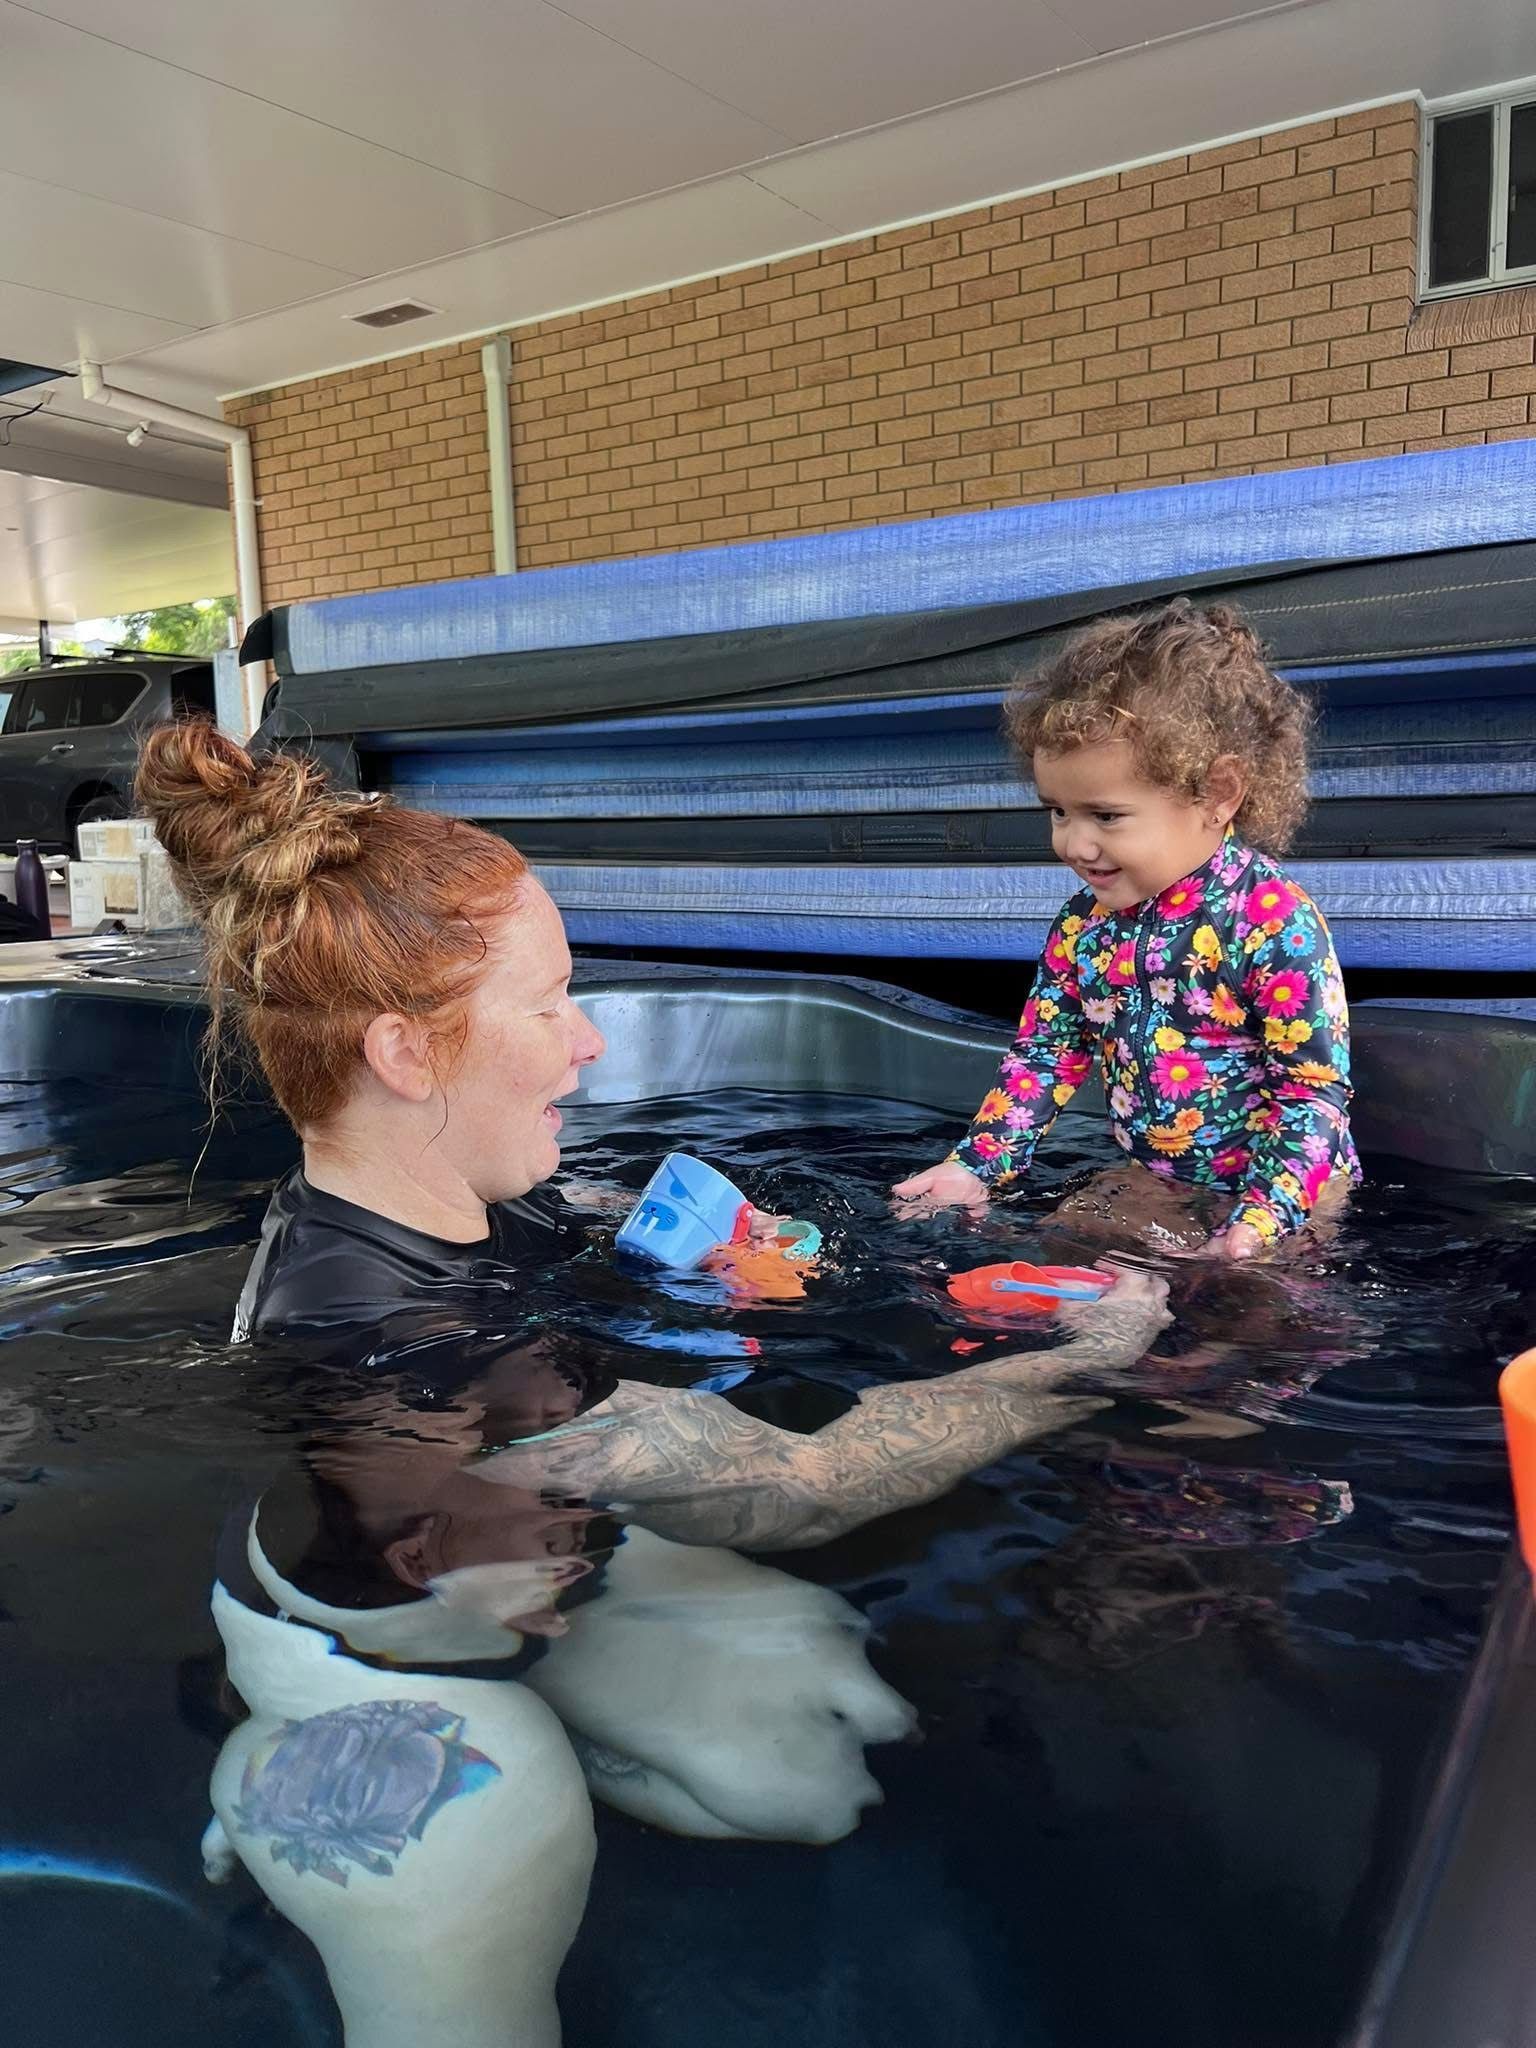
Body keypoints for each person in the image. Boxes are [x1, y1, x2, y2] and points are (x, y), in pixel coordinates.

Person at [138, 721, 1169, 2048]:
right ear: (408, 1055)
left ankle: (514, 1733)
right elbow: (802, 1488)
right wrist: (1086, 1365)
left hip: (530, 1580)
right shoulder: (383, 1338)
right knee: (504, 1831)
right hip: (370, 1652)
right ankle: (282, 1766)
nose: (590, 1048)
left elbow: (626, 1283)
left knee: (823, 1758)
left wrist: (748, 1265)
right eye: (553, 1003)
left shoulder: (463, 1193)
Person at [893, 600, 1360, 1261]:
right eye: (1057, 811)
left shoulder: (1270, 922)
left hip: (1291, 1190)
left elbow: (1310, 1090)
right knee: (1065, 1255)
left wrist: (1259, 1224)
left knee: (1252, 1317)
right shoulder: (1085, 925)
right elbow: (1045, 1055)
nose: (1073, 844)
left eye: (1106, 816)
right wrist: (975, 1166)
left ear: (1217, 794)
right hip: (1159, 1179)